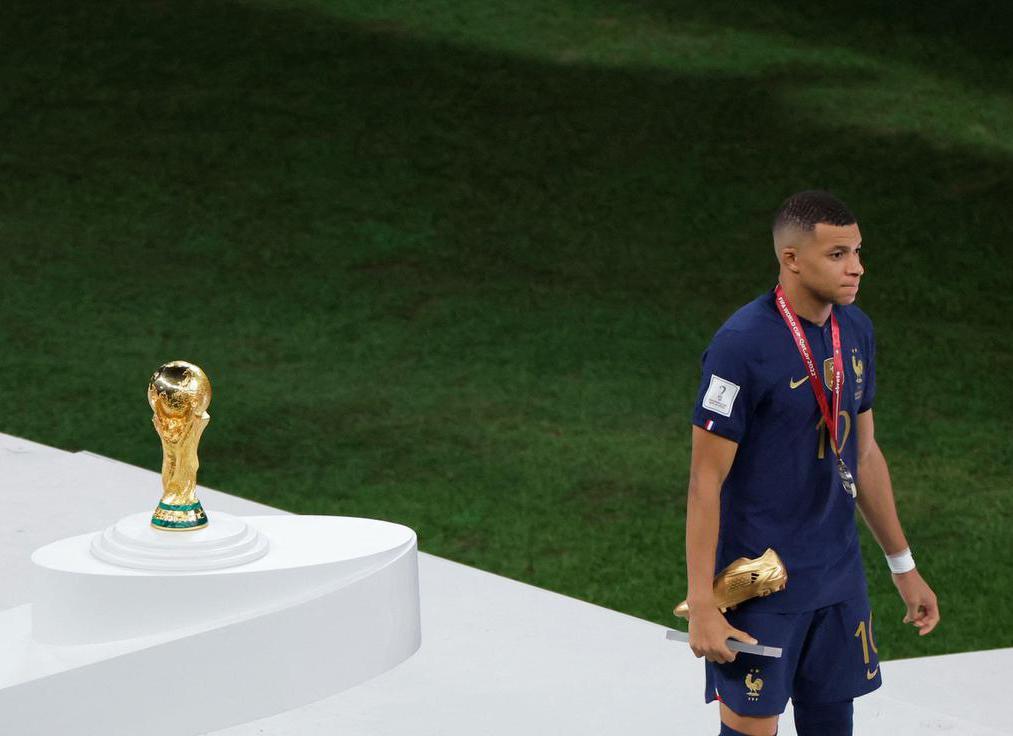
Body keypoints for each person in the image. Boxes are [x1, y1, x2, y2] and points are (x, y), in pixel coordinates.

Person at [684, 190, 939, 736]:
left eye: (857, 251)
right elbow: (706, 480)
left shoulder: (856, 330)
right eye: (838, 254)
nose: (857, 267)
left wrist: (904, 566)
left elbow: (864, 453)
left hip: (837, 580)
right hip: (762, 586)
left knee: (833, 725)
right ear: (792, 259)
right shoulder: (741, 346)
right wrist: (703, 602)